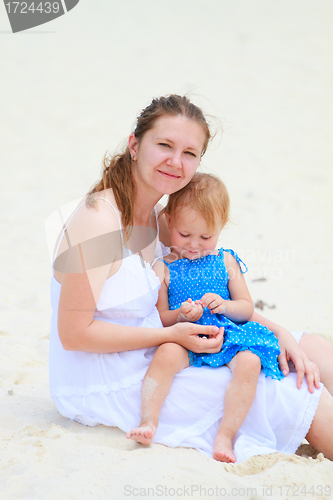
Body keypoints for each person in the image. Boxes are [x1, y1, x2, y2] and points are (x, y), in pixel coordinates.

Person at [49, 94, 333, 463]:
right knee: (291, 388)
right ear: (135, 145)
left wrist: (277, 331)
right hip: (110, 373)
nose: (175, 161)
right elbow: (73, 335)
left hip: (161, 341)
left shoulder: (160, 220)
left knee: (308, 346)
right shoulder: (99, 219)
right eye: (164, 145)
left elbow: (209, 288)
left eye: (189, 153)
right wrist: (169, 334)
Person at [127, 173, 287, 463]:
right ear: (170, 222)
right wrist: (180, 314)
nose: (194, 245)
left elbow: (246, 308)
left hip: (225, 333)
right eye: (185, 235)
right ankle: (148, 421)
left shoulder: (226, 260)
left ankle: (226, 435)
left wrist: (225, 305)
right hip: (185, 334)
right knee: (164, 355)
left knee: (250, 361)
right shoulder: (164, 267)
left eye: (206, 237)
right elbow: (162, 318)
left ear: (221, 228)